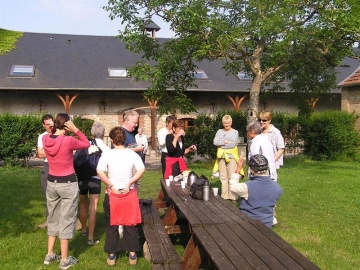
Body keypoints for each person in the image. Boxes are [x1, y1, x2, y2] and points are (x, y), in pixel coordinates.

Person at [42, 113, 90, 269]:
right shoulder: (69, 141)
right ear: (67, 125)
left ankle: (49, 255)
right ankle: (64, 260)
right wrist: (76, 130)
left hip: (52, 183)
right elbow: (86, 143)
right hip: (68, 183)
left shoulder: (45, 139)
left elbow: (51, 135)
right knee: (67, 219)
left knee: (53, 217)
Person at [97, 127, 145, 266]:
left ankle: (112, 255)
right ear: (124, 140)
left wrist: (110, 185)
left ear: (112, 140)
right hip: (128, 192)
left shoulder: (107, 154)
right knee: (130, 224)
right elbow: (141, 169)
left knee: (112, 224)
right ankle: (132, 254)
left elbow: (99, 170)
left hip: (112, 194)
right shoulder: (131, 154)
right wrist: (130, 182)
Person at [78, 122, 110, 246]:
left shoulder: (85, 144)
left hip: (82, 178)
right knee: (93, 207)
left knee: (83, 204)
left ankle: (84, 230)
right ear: (103, 133)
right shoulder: (105, 148)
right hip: (95, 178)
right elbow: (107, 167)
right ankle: (91, 238)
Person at [230, 154, 282, 228]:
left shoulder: (246, 187)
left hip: (248, 224)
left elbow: (232, 187)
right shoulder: (278, 188)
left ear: (251, 170)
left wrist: (237, 171)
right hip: (267, 225)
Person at [213, 115, 241, 203]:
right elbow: (215, 142)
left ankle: (233, 197)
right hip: (221, 157)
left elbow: (233, 144)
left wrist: (221, 143)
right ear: (223, 123)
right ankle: (224, 196)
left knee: (232, 176)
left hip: (232, 157)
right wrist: (225, 141)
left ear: (231, 123)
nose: (226, 125)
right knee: (223, 177)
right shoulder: (219, 131)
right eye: (225, 123)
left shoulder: (235, 132)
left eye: (228, 123)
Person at [36, 114, 54, 229]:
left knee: (62, 193)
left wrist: (48, 150)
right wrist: (55, 150)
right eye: (47, 125)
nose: (50, 127)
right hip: (48, 165)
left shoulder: (59, 134)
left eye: (51, 124)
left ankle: (71, 218)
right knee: (48, 193)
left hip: (59, 166)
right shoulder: (42, 137)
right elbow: (40, 154)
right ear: (44, 125)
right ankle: (49, 220)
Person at [121, 110, 145, 191]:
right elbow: (121, 151)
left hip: (135, 169)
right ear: (127, 121)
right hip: (127, 170)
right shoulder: (121, 133)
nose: (136, 125)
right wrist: (137, 149)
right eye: (134, 123)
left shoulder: (131, 133)